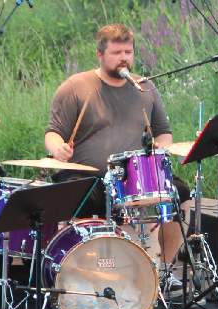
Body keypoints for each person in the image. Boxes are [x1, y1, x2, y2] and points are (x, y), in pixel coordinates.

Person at [44, 23, 191, 290]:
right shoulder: (75, 86)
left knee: (180, 193)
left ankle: (164, 271)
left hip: (131, 176)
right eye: (116, 52)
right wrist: (58, 148)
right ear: (100, 54)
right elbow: (53, 133)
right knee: (77, 197)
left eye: (128, 51)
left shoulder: (145, 88)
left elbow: (165, 133)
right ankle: (85, 277)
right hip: (85, 174)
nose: (124, 57)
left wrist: (160, 146)